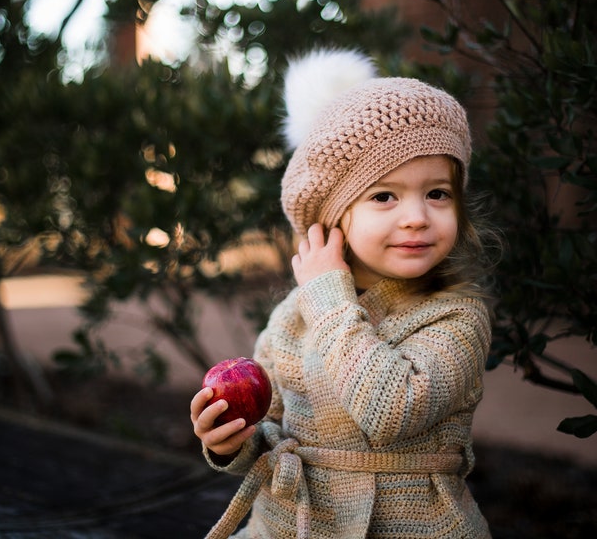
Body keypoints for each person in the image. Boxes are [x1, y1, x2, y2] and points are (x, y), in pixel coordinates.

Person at [191, 48, 496, 538]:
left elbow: (392, 410)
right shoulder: (297, 314)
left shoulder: (457, 316)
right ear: (331, 220)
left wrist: (331, 301)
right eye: (384, 196)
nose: (417, 215)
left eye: (437, 192)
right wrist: (231, 443)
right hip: (289, 524)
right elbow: (270, 425)